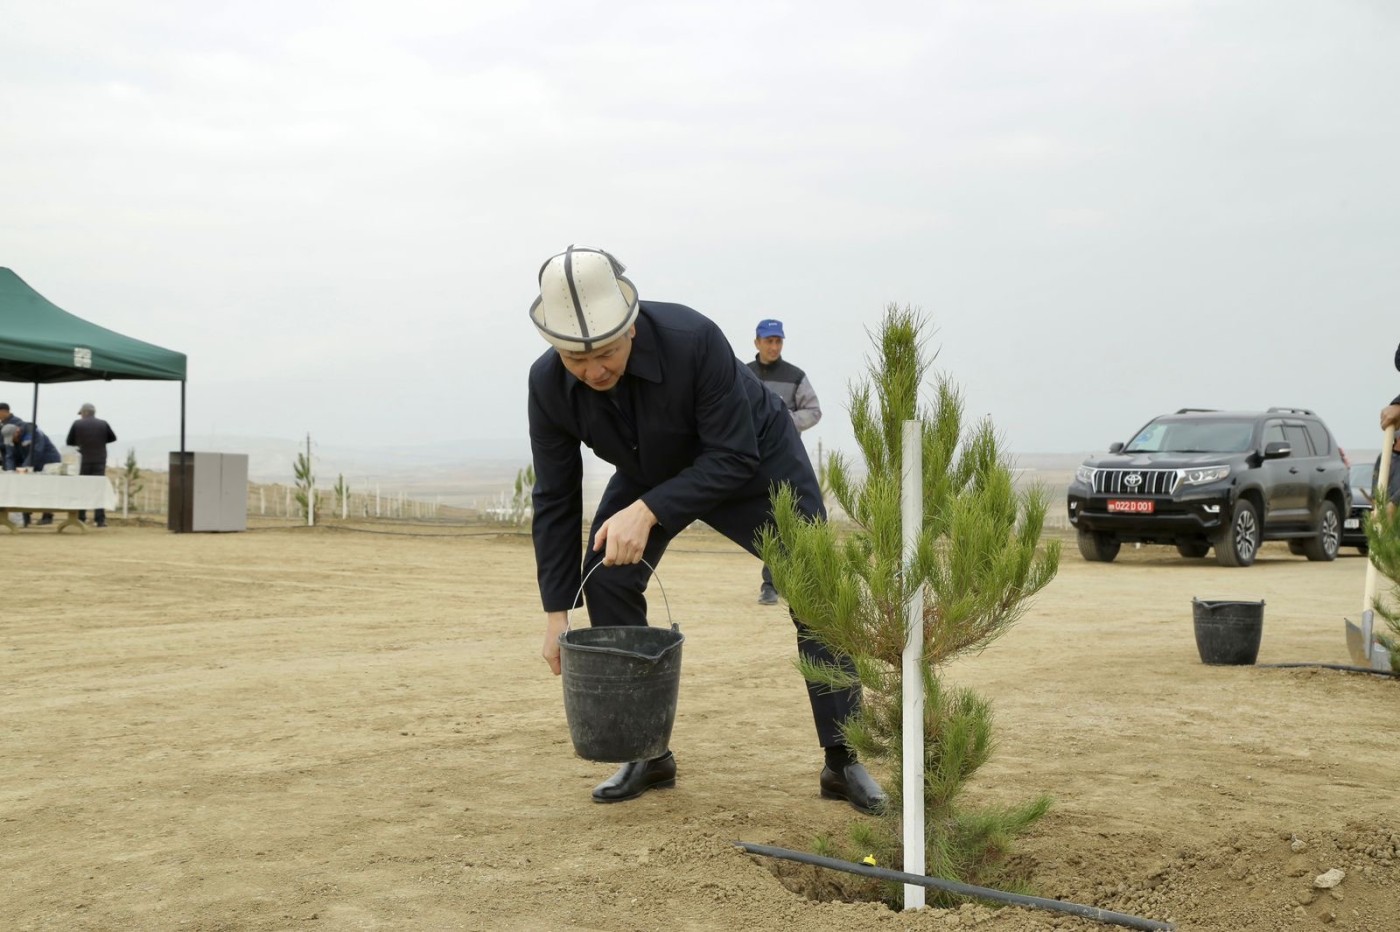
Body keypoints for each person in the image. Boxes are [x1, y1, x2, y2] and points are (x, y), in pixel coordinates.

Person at [527, 245, 886, 813]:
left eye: (607, 352)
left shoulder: (694, 339)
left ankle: (843, 759)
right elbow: (553, 498)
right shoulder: (547, 386)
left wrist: (646, 512)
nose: (594, 370)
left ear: (632, 325)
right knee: (606, 575)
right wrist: (555, 616)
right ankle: (647, 751)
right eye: (576, 359)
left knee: (817, 587)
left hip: (751, 458)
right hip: (653, 467)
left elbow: (733, 458)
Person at [746, 318, 821, 605]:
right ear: (757, 342)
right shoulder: (743, 373)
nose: (773, 346)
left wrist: (784, 421)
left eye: (778, 341)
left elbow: (813, 411)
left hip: (785, 459)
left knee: (784, 518)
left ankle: (772, 583)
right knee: (763, 518)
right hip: (748, 458)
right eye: (768, 341)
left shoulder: (796, 376)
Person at [66, 403, 117, 527]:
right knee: (98, 489)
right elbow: (113, 438)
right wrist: (100, 442)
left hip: (83, 460)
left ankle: (81, 517)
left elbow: (69, 441)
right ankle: (100, 519)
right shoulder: (103, 424)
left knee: (82, 488)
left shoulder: (77, 424)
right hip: (99, 459)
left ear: (84, 413)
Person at [2, 422, 60, 526]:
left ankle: (47, 516)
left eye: (12, 438)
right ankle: (26, 517)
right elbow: (9, 456)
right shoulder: (12, 440)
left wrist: (24, 468)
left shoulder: (34, 433)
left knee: (45, 489)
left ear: (17, 432)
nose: (12, 441)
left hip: (48, 462)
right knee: (24, 489)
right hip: (29, 463)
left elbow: (37, 452)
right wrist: (10, 471)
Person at [0, 403, 23, 472]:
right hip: (7, 460)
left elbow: (12, 443)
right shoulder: (3, 424)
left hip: (15, 461)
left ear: (3, 411)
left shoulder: (16, 423)